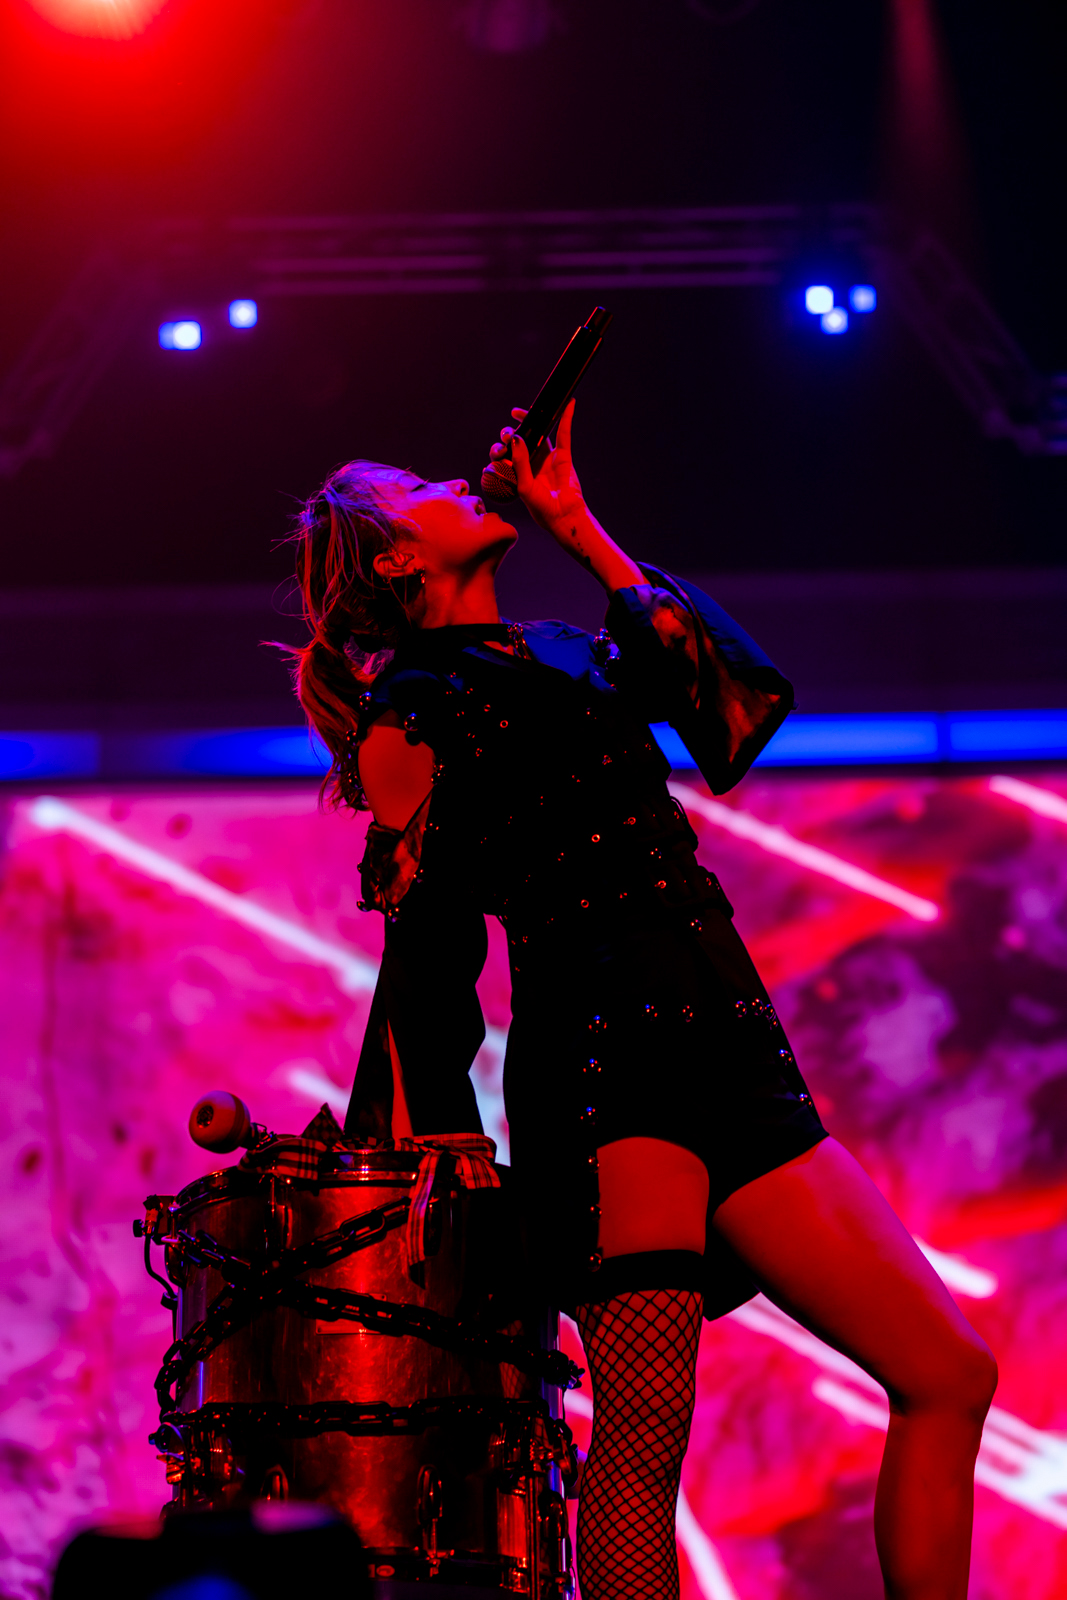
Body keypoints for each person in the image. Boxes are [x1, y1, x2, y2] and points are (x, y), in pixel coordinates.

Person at [290, 401, 997, 1600]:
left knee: (947, 1371)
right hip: (606, 1060)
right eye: (417, 488)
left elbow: (732, 711)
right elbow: (427, 949)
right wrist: (449, 1145)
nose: (453, 477)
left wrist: (575, 521)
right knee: (640, 1441)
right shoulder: (412, 707)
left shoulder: (566, 649)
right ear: (398, 558)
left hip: (726, 1034)